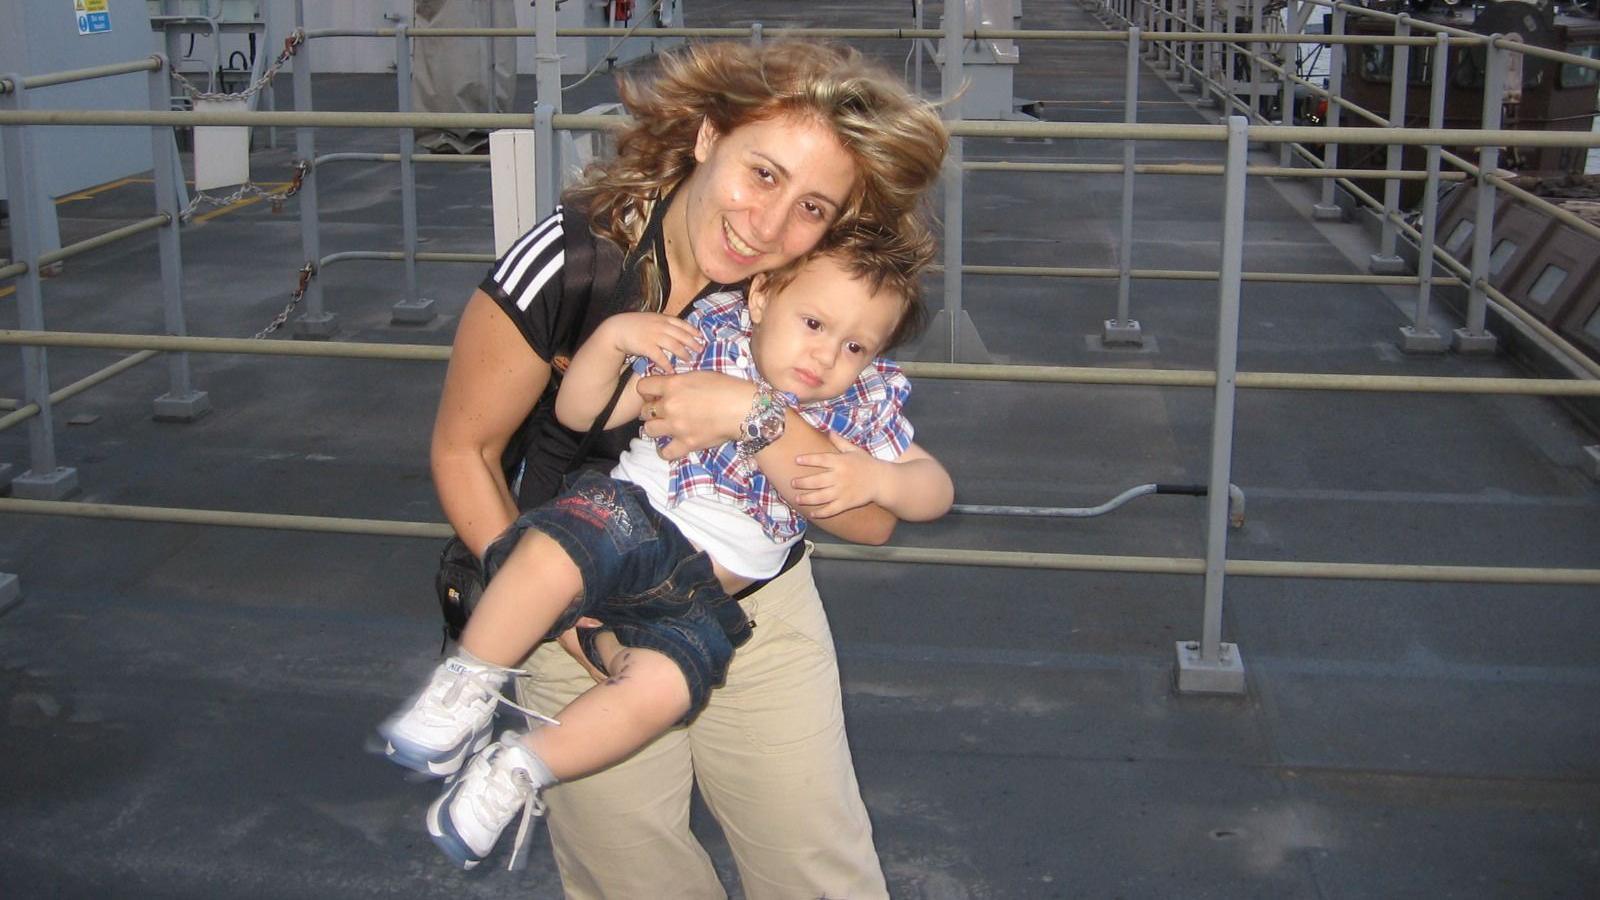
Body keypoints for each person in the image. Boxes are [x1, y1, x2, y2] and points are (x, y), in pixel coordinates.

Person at [425, 39, 947, 897]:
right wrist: (560, 623)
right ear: (708, 138)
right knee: (634, 878)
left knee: (819, 872)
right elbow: (464, 451)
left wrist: (751, 414)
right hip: (572, 595)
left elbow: (871, 516)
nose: (770, 227)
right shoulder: (568, 261)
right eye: (762, 174)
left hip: (757, 613)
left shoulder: (802, 296)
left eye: (813, 205)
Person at [381, 242, 953, 870]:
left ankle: (521, 765)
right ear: (761, 297)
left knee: (663, 688)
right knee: (552, 553)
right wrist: (612, 340)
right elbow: (581, 412)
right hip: (631, 522)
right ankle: (469, 679)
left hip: (705, 598)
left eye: (856, 347)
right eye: (814, 324)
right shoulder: (710, 340)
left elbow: (933, 489)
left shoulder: (863, 405)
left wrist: (880, 481)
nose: (827, 356)